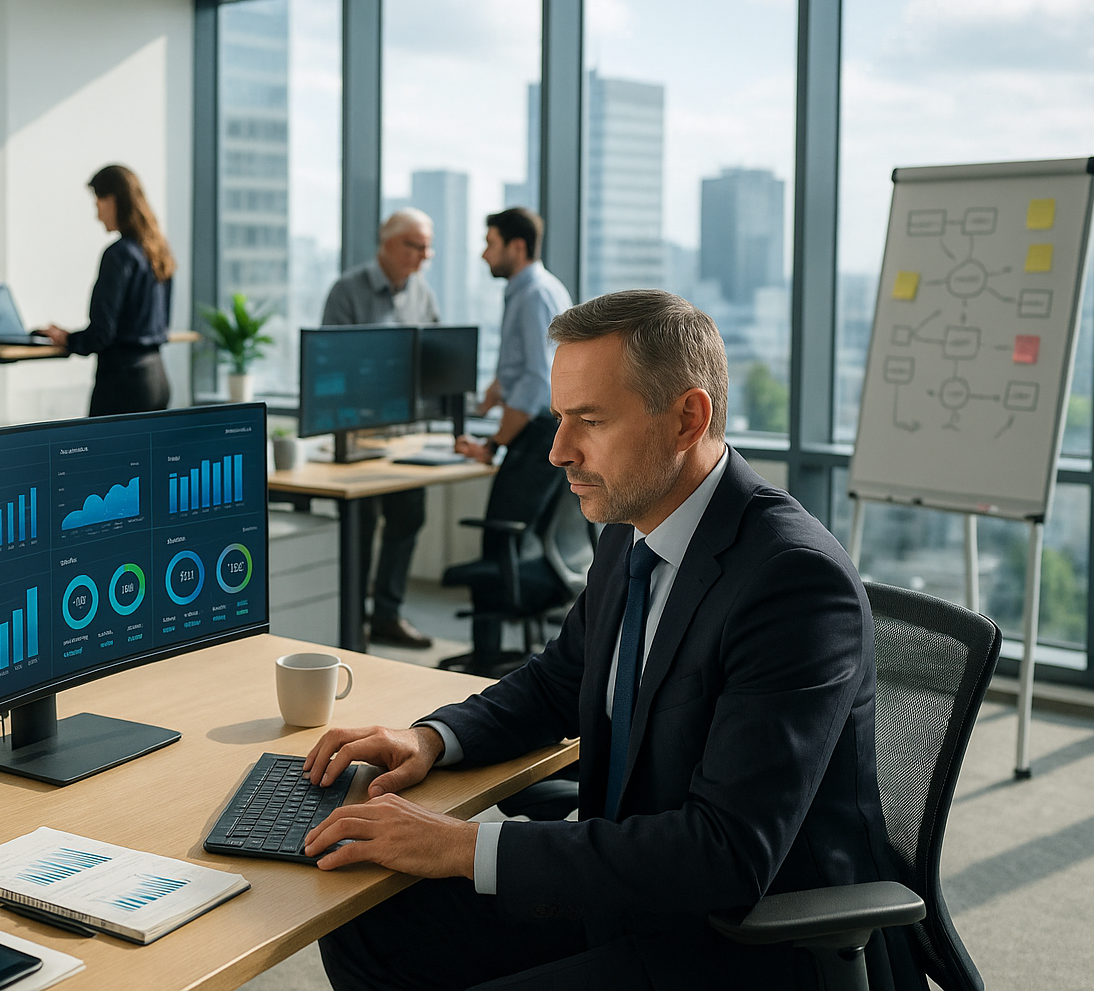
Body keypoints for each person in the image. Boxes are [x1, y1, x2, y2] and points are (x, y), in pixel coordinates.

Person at [303, 289, 920, 991]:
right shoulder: (631, 529)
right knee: (367, 916)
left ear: (688, 418)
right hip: (629, 897)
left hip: (741, 944)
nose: (559, 450)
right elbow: (561, 679)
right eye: (560, 418)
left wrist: (467, 845)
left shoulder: (792, 583)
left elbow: (725, 853)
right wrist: (434, 739)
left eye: (589, 421)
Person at [320, 209, 440, 649]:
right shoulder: (348, 291)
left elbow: (435, 355)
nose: (424, 256)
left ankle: (386, 615)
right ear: (386, 244)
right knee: (361, 525)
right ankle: (351, 623)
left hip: (404, 432)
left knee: (410, 515)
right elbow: (329, 362)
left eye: (428, 247)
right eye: (415, 245)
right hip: (358, 433)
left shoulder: (421, 293)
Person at [40, 164, 173, 417]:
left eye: (97, 203)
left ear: (112, 200)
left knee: (102, 457)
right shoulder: (158, 251)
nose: (97, 214)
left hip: (123, 386)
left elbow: (102, 334)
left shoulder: (119, 255)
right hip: (156, 379)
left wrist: (66, 339)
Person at [455, 207, 570, 469]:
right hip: (536, 429)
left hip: (536, 433)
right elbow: (523, 362)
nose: (484, 254)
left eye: (491, 244)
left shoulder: (533, 295)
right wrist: (494, 393)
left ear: (517, 247)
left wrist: (493, 444)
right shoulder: (535, 289)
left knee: (503, 512)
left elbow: (536, 378)